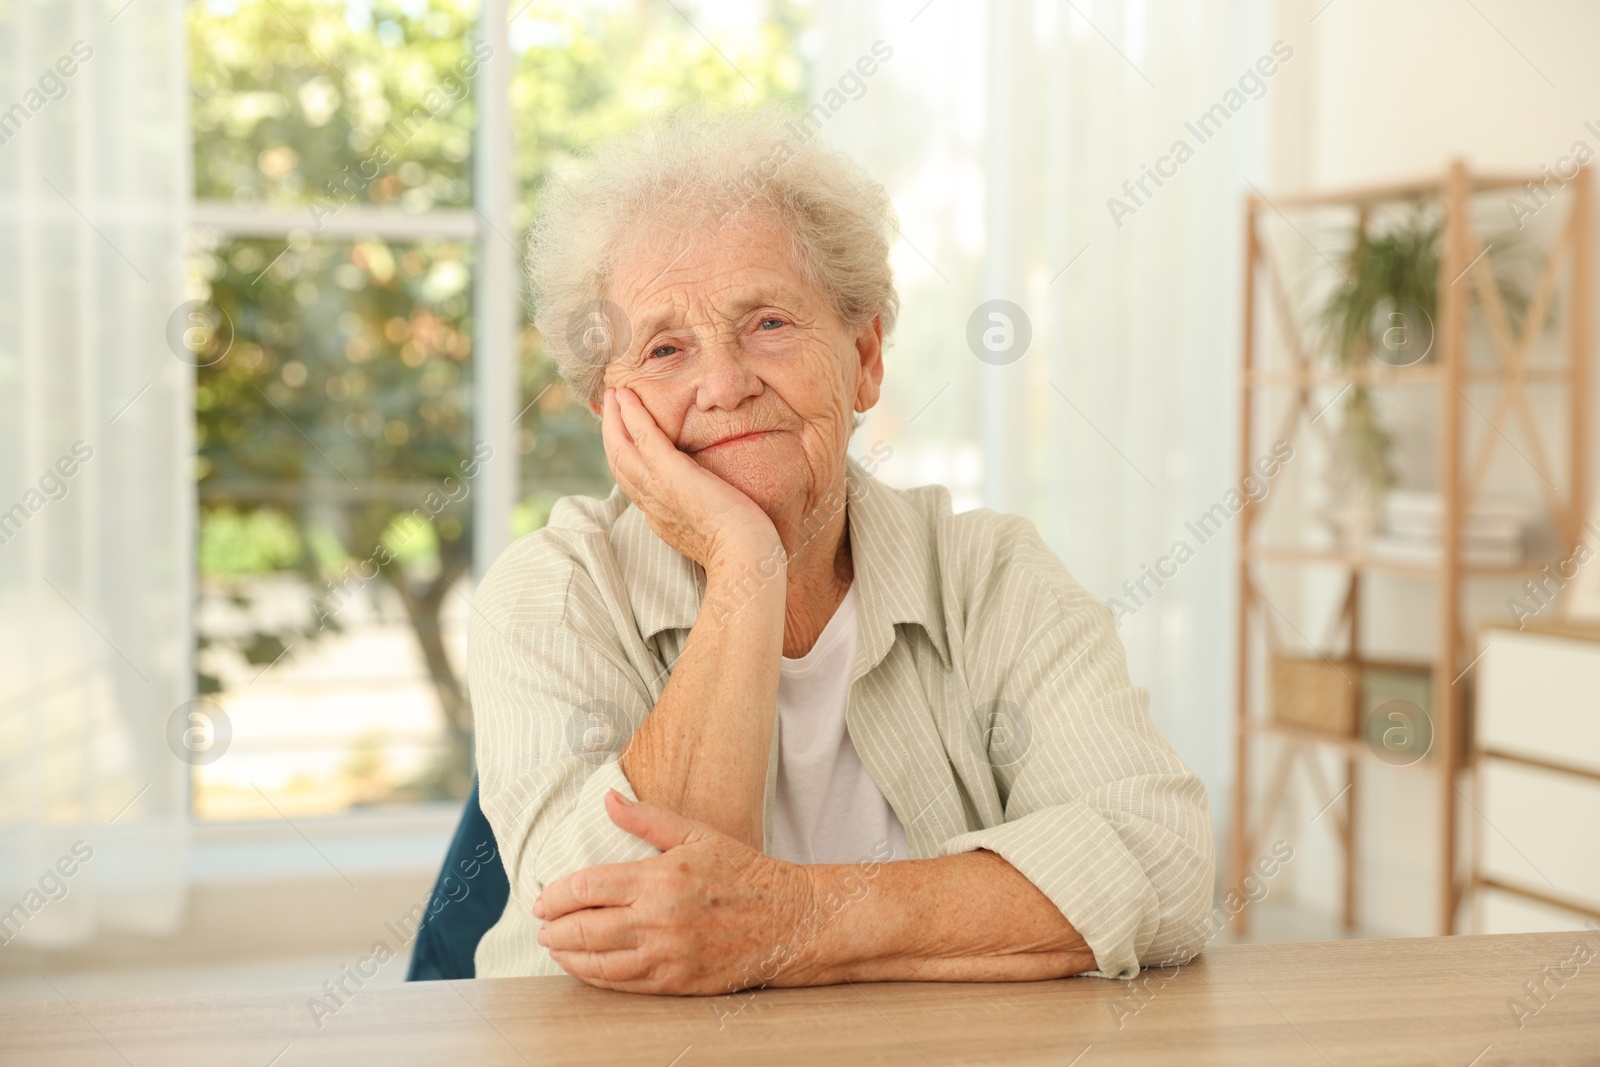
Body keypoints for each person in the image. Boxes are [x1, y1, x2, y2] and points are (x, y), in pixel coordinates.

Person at [468, 108, 1214, 994]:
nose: (724, 384)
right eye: (665, 348)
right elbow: (618, 932)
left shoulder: (993, 576)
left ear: (863, 359)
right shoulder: (553, 593)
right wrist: (746, 562)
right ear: (612, 412)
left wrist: (793, 920)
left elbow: (1161, 860)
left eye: (769, 325)